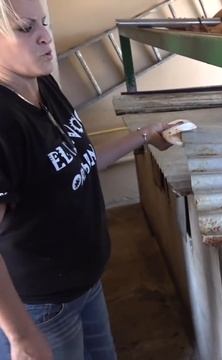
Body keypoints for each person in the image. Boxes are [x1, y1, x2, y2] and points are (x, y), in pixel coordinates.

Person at [0, 0, 172, 358]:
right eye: (25, 29)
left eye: (44, 24)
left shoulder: (44, 86)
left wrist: (145, 134)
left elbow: (81, 163)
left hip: (85, 286)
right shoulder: (4, 123)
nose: (46, 37)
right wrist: (20, 336)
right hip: (42, 308)